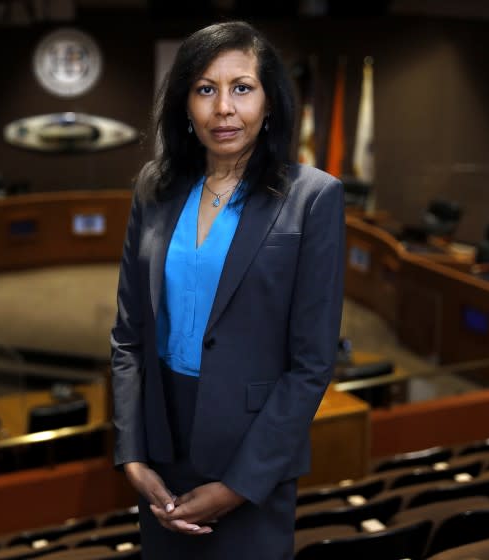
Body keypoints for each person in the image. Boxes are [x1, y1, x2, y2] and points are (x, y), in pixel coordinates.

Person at [110, 21, 345, 559]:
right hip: (160, 446)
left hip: (253, 454)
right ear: (184, 104)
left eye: (242, 87)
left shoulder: (313, 197)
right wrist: (132, 455)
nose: (223, 108)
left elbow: (312, 363)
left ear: (269, 101)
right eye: (205, 89)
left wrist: (238, 485)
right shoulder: (155, 187)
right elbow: (127, 336)